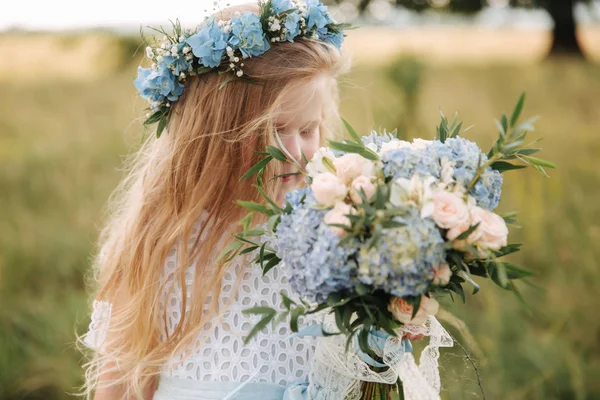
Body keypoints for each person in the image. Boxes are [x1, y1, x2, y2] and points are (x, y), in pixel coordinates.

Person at [79, 1, 349, 399]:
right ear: (218, 137)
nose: (296, 152)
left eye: (308, 130)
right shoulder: (161, 244)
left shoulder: (337, 228)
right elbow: (121, 388)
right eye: (273, 132)